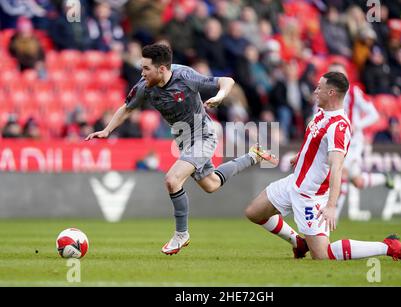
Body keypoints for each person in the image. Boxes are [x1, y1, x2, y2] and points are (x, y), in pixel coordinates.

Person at [85, 43, 278, 255]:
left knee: (172, 179)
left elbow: (227, 80)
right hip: (184, 140)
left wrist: (220, 96)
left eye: (146, 69)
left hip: (204, 135)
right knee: (211, 184)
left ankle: (181, 234)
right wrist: (107, 130)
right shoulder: (144, 86)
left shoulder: (185, 76)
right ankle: (253, 155)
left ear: (162, 69)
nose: (142, 73)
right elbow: (127, 108)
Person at [245, 72, 401, 261]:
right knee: (254, 213)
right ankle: (299, 243)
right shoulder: (321, 113)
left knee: (323, 255)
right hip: (294, 184)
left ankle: (388, 246)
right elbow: (314, 142)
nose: (315, 91)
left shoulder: (339, 127)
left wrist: (331, 206)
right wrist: (301, 156)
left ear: (331, 93)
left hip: (311, 196)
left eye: (319, 87)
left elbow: (336, 167)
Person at [327, 62, 394, 221]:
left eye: (340, 74)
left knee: (341, 172)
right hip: (335, 140)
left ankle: (332, 215)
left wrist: (357, 125)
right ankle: (384, 178)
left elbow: (374, 114)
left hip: (353, 142)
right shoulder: (324, 94)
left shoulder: (354, 92)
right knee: (358, 181)